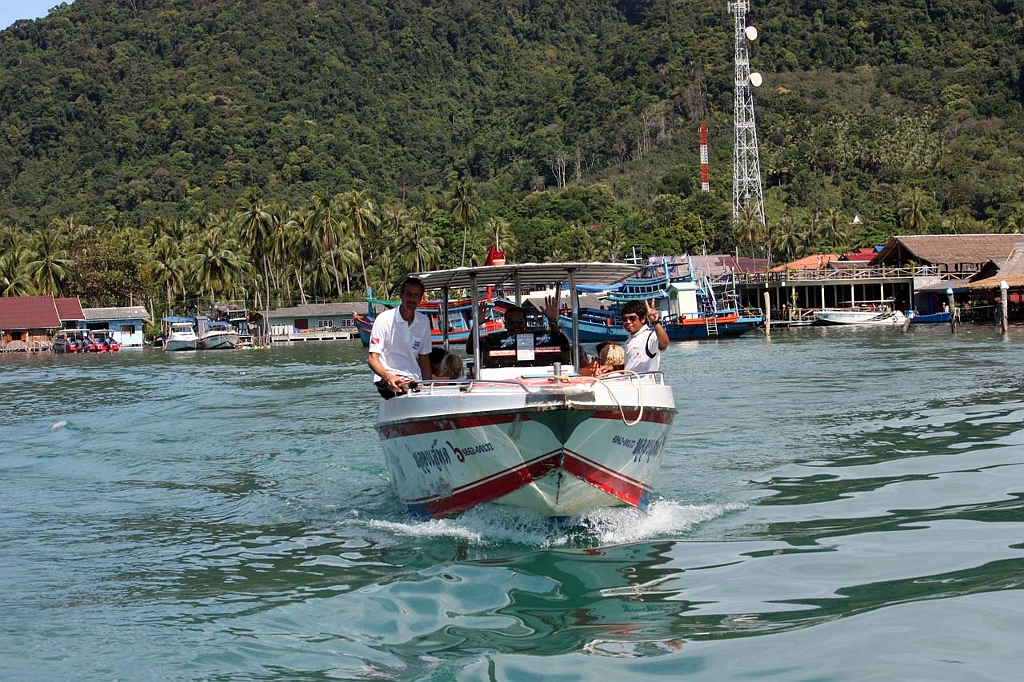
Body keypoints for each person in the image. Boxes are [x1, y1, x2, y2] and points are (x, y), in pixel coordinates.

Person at [367, 277, 433, 398]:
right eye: (408, 294)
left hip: (413, 379)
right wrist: (388, 377)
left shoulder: (424, 322)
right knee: (401, 389)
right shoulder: (384, 319)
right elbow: (372, 359)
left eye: (416, 295)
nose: (412, 299)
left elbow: (424, 359)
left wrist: (429, 387)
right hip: (386, 377)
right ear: (401, 295)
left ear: (420, 299)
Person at [621, 298, 669, 372]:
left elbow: (664, 344)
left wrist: (655, 322)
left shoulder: (649, 337)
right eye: (625, 319)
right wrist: (611, 367)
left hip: (643, 382)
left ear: (643, 319)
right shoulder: (630, 340)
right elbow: (630, 365)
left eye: (632, 318)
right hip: (629, 381)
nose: (628, 322)